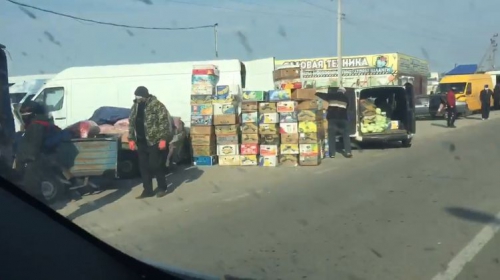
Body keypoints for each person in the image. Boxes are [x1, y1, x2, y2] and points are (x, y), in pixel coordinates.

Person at [128, 86, 172, 199]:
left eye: (139, 96)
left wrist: (163, 139)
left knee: (155, 165)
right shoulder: (135, 106)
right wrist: (131, 139)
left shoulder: (156, 105)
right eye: (136, 96)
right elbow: (132, 123)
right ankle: (147, 190)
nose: (137, 98)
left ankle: (162, 187)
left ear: (145, 96)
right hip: (141, 142)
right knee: (143, 167)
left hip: (154, 141)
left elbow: (164, 122)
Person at [316, 87, 353, 158]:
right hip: (343, 118)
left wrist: (316, 92)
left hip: (332, 118)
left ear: (338, 91)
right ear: (344, 92)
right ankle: (348, 152)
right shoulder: (346, 98)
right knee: (345, 135)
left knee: (332, 135)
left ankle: (332, 154)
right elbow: (347, 107)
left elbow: (322, 95)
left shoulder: (331, 95)